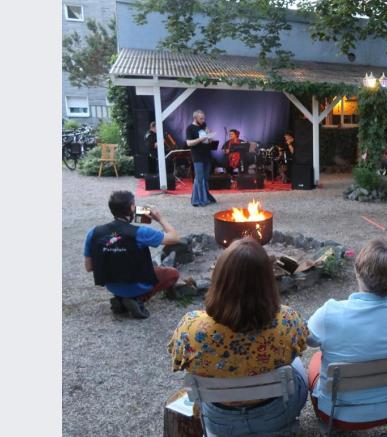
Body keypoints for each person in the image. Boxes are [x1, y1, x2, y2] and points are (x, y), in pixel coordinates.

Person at [168, 238, 309, 435]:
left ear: (219, 278)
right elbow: (301, 346)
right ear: (268, 281)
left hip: (220, 421)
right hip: (276, 415)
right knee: (296, 365)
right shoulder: (287, 320)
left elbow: (179, 361)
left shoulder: (190, 326)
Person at [306, 239, 387, 425]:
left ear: (357, 271)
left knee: (316, 359)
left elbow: (309, 340)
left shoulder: (330, 312)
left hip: (338, 413)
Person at [84, 191, 181, 319]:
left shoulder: (93, 232)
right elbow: (175, 238)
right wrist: (160, 219)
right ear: (131, 207)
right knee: (173, 273)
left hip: (112, 285)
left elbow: (89, 267)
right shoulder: (141, 232)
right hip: (137, 284)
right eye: (134, 205)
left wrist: (114, 257)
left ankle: (120, 299)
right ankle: (137, 299)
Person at [185, 110, 217, 207]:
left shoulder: (204, 125)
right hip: (197, 156)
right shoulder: (190, 128)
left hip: (207, 155)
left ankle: (205, 197)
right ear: (195, 118)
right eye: (201, 118)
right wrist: (200, 139)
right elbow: (188, 143)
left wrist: (209, 136)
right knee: (199, 178)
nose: (203, 120)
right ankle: (197, 200)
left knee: (206, 178)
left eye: (204, 118)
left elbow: (210, 141)